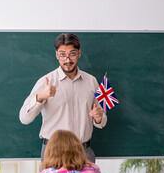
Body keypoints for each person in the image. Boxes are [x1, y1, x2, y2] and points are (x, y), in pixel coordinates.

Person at [19, 33, 106, 162]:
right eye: (62, 54)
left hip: (84, 152)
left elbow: (102, 119)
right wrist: (40, 97)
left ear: (79, 53)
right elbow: (24, 118)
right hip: (55, 153)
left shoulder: (91, 81)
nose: (67, 60)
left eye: (72, 54)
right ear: (56, 55)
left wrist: (99, 118)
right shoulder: (46, 81)